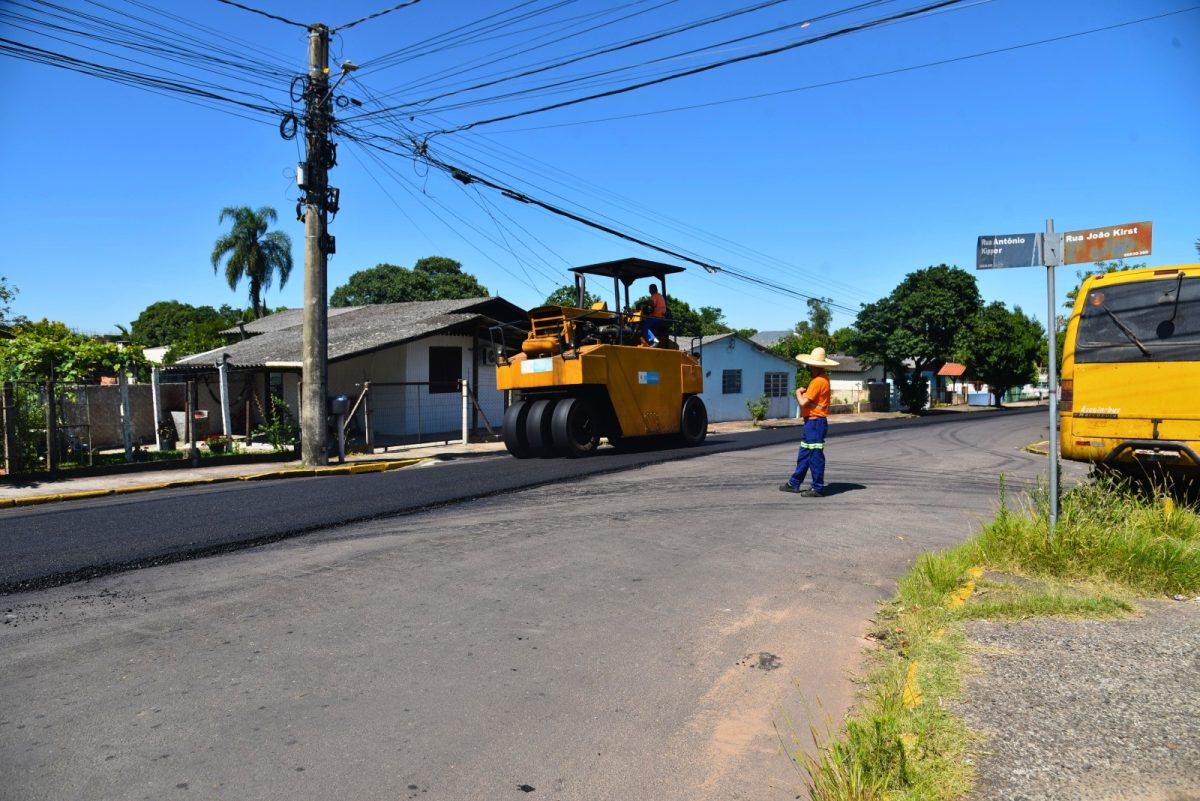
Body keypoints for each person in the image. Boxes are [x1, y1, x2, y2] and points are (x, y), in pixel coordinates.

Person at [780, 347, 839, 497]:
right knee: (805, 454)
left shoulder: (818, 381)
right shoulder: (821, 380)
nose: (808, 367)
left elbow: (804, 402)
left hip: (815, 423)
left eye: (810, 365)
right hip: (812, 423)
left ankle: (817, 488)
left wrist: (797, 393)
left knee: (814, 455)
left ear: (814, 365)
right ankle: (794, 483)